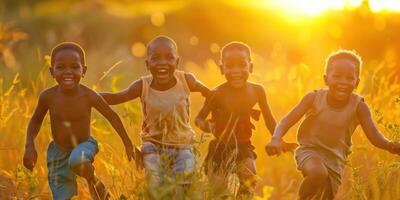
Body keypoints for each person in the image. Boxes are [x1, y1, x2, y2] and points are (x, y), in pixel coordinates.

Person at [265, 50, 400, 199]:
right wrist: (276, 138)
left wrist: (390, 145)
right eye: (336, 76)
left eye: (349, 78)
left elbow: (374, 135)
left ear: (357, 82)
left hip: (336, 160)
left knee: (325, 196)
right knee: (318, 173)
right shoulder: (314, 98)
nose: (343, 81)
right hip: (310, 150)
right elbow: (288, 119)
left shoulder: (359, 106)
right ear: (326, 79)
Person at [22, 42, 139, 200]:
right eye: (61, 67)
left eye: (75, 67)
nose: (68, 72)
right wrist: (30, 146)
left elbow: (111, 115)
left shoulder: (89, 96)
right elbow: (35, 122)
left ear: (84, 70)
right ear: (52, 71)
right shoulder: (47, 97)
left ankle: (93, 181)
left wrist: (127, 143)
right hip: (58, 152)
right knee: (62, 197)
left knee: (77, 160)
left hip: (84, 145)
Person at [100, 36, 209, 190]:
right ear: (147, 64)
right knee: (156, 184)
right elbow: (117, 97)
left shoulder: (186, 80)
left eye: (169, 57)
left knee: (185, 182)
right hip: (153, 146)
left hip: (183, 145)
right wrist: (86, 95)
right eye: (156, 58)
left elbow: (210, 93)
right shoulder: (142, 86)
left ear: (177, 62)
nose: (163, 62)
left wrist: (216, 105)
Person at [195, 41, 296, 199]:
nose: (236, 71)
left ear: (251, 67)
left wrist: (278, 139)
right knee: (217, 191)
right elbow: (199, 119)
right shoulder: (216, 93)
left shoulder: (257, 91)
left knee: (249, 178)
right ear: (222, 69)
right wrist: (208, 126)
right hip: (220, 146)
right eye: (230, 66)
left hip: (243, 145)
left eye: (242, 65)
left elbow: (269, 120)